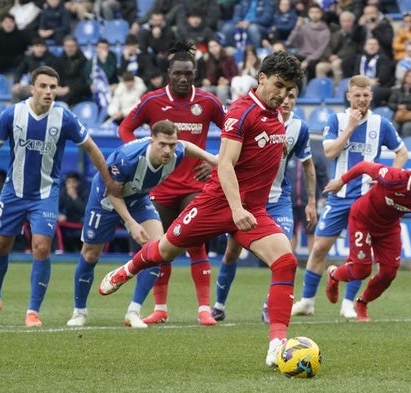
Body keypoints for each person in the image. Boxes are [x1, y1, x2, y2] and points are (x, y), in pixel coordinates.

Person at [98, 50, 304, 367]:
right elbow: (225, 164)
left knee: (286, 261)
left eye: (289, 90)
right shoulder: (241, 111)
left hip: (253, 211)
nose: (282, 95)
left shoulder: (274, 115)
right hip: (218, 204)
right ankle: (129, 269)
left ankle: (277, 345)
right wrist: (235, 208)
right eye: (278, 85)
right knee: (164, 251)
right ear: (262, 78)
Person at [0, 65, 121, 327]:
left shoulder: (64, 118)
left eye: (53, 87)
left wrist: (109, 180)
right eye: (43, 86)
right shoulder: (13, 114)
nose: (48, 92)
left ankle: (33, 311)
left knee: (42, 247)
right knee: (1, 245)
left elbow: (91, 148)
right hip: (13, 192)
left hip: (45, 194)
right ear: (32, 88)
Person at [66, 120, 218, 327]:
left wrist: (211, 158)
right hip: (106, 199)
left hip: (138, 198)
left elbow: (187, 146)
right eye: (162, 144)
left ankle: (133, 311)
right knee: (91, 254)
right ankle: (79, 312)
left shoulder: (177, 151)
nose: (168, 150)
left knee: (158, 250)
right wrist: (131, 223)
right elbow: (113, 192)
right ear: (152, 140)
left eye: (171, 145)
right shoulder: (127, 159)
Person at [117, 40, 226, 327]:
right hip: (161, 188)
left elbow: (233, 132)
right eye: (177, 73)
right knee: (160, 246)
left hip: (194, 187)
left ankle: (204, 308)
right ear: (169, 72)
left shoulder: (208, 102)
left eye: (188, 74)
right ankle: (160, 308)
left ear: (195, 73)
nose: (182, 79)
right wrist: (142, 155)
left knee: (195, 240)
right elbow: (125, 128)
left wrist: (213, 160)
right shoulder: (153, 101)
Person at [291, 74, 408, 320]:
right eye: (357, 95)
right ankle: (307, 302)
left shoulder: (381, 124)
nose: (362, 100)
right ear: (348, 96)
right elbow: (330, 152)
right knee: (320, 247)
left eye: (366, 95)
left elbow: (402, 152)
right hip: (339, 196)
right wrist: (351, 127)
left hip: (368, 200)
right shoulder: (337, 120)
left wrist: (388, 177)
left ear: (371, 96)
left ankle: (348, 303)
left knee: (360, 254)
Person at [211, 84, 317, 322]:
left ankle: (270, 307)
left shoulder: (299, 128)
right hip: (248, 198)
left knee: (283, 253)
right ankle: (218, 304)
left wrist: (311, 200)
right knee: (231, 252)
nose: (287, 100)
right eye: (285, 95)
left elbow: (308, 164)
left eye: (292, 96)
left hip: (278, 199)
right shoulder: (256, 117)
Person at [324, 153, 411, 321]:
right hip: (363, 219)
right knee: (361, 270)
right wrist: (341, 181)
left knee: (389, 273)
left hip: (389, 227)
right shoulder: (395, 177)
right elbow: (364, 166)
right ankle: (334, 275)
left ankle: (362, 303)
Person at [287, 4, 331, 82]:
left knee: (311, 65)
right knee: (290, 61)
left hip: (316, 58)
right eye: (312, 12)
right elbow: (291, 42)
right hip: (302, 54)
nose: (314, 15)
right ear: (309, 14)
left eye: (317, 12)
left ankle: (309, 88)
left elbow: (320, 51)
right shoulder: (304, 27)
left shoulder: (325, 31)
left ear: (321, 14)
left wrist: (307, 60)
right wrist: (297, 27)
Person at [11, 36, 59, 103]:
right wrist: (16, 82)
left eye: (41, 46)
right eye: (37, 46)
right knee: (15, 90)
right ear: (33, 48)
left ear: (45, 48)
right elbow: (19, 70)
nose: (39, 49)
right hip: (32, 87)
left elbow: (55, 76)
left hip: (46, 88)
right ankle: (16, 112)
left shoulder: (52, 59)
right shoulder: (28, 58)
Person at [55, 35, 92, 107]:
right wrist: (57, 87)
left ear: (76, 46)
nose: (69, 48)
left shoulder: (83, 60)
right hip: (62, 87)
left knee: (69, 96)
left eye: (72, 46)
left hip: (77, 88)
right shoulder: (59, 59)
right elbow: (56, 75)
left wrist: (68, 89)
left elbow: (82, 79)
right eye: (67, 46)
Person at [57, 172, 88, 253]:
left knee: (87, 220)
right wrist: (59, 215)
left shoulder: (85, 192)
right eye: (68, 182)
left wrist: (75, 197)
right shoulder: (64, 192)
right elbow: (56, 207)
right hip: (69, 219)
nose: (71, 185)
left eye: (74, 182)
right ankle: (59, 249)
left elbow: (85, 211)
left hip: (83, 220)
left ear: (79, 183)